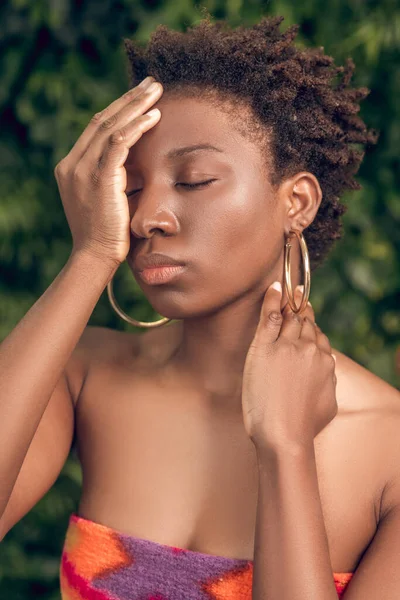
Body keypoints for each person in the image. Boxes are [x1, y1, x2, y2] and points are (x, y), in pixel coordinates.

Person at [0, 14, 399, 600]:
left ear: (298, 201)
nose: (145, 217)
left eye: (193, 181)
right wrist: (91, 256)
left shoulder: (389, 448)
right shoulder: (82, 377)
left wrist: (286, 449)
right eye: (130, 189)